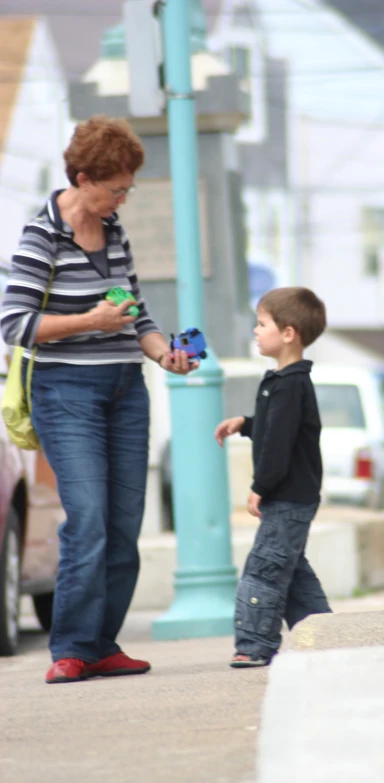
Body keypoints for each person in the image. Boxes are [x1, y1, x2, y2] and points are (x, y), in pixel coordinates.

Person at [0, 115, 198, 684]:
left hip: (124, 391)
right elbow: (15, 324)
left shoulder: (114, 234)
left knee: (122, 522)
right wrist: (92, 319)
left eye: (127, 189)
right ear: (83, 178)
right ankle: (70, 648)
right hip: (68, 395)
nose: (122, 200)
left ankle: (102, 644)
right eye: (115, 189)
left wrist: (164, 355)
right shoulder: (43, 235)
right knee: (86, 520)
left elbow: (136, 314)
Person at [214, 287, 332, 668]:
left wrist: (259, 488)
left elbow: (279, 447)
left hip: (286, 494)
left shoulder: (288, 385)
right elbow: (276, 429)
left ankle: (255, 644)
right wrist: (245, 424)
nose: (255, 330)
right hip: (296, 495)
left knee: (264, 569)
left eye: (262, 323)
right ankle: (325, 636)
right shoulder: (285, 382)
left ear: (288, 334)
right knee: (290, 569)